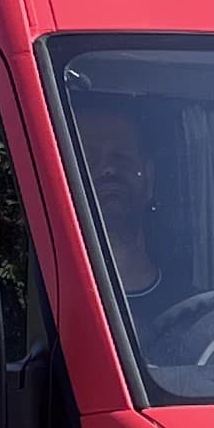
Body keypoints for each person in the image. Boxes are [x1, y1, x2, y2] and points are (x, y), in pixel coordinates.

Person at [75, 101, 163, 305]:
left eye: (121, 157)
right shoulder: (50, 301)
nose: (108, 170)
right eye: (90, 159)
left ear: (149, 180)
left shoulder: (193, 308)